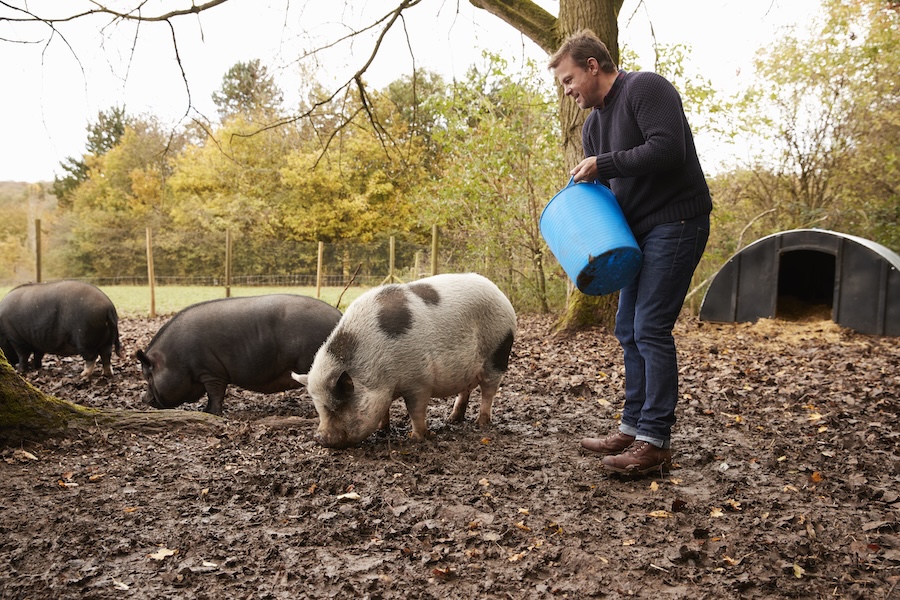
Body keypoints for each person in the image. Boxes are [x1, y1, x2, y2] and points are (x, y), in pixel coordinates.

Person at [549, 30, 712, 475]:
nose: (567, 92)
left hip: (677, 222)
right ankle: (633, 426)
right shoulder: (593, 126)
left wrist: (604, 164)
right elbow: (606, 194)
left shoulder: (645, 88)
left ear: (593, 67)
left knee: (650, 327)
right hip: (636, 234)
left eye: (568, 81)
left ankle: (654, 441)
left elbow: (667, 149)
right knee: (627, 327)